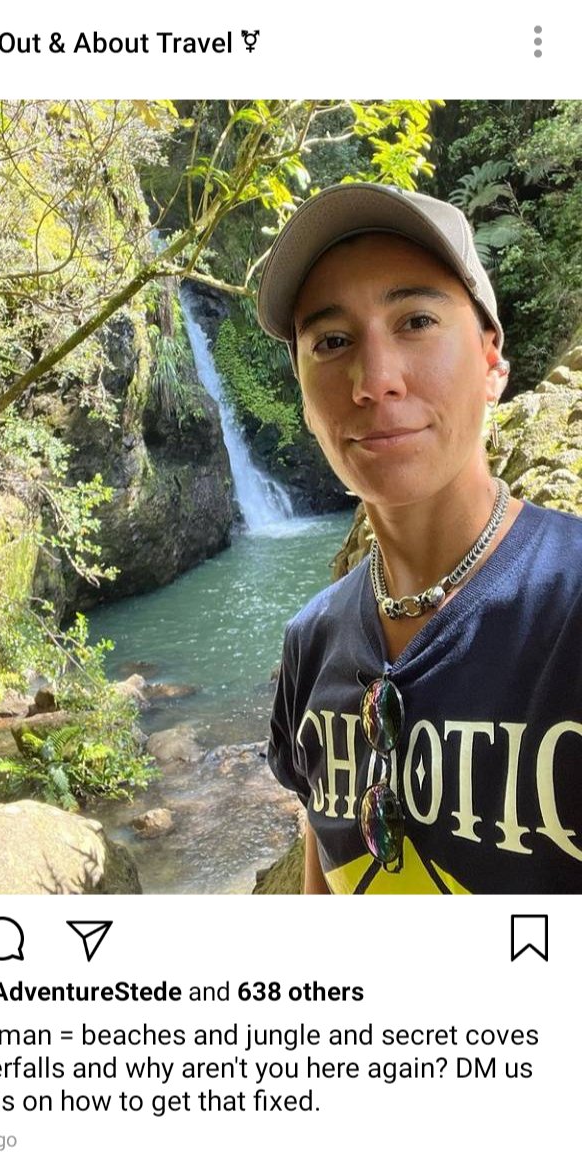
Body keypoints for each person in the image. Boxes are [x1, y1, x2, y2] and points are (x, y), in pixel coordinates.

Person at [257, 182, 582, 894]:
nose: (374, 381)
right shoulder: (311, 644)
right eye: (332, 341)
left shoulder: (569, 603)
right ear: (307, 403)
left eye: (416, 321)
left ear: (493, 360)